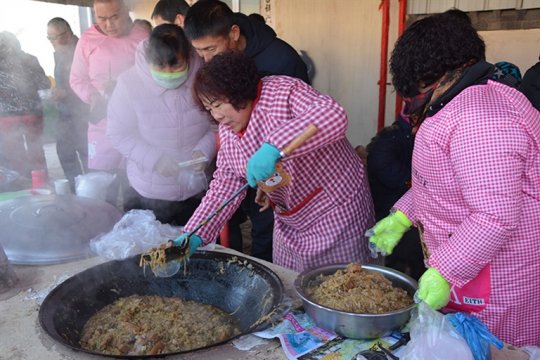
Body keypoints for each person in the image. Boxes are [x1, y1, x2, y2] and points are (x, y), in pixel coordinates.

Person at [368, 11, 540, 347]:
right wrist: (405, 214)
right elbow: (445, 182)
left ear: (428, 78)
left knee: (495, 349)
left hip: (501, 280)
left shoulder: (482, 120)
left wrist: (445, 270)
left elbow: (494, 216)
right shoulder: (463, 101)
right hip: (473, 266)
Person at [170, 51, 375, 272]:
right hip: (290, 218)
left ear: (238, 91)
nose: (216, 115)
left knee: (343, 286)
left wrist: (274, 146)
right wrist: (194, 234)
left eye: (218, 104)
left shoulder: (283, 92)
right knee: (293, 284)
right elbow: (223, 187)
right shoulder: (228, 132)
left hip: (336, 209)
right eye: (209, 109)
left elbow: (332, 113)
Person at [183, 0, 310, 261]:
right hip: (274, 188)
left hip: (307, 183)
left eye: (210, 48)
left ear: (233, 34)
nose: (206, 59)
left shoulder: (282, 68)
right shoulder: (229, 130)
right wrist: (192, 233)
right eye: (199, 52)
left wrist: (273, 153)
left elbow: (317, 120)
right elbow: (225, 183)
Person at [107, 24, 216, 225]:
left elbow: (219, 124)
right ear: (149, 59)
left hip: (195, 189)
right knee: (152, 252)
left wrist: (205, 151)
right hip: (148, 190)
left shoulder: (205, 77)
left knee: (194, 250)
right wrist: (154, 159)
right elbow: (118, 133)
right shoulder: (129, 83)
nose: (168, 72)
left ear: (188, 56)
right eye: (160, 66)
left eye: (176, 66)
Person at [70, 0, 149, 207]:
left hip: (137, 126)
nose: (108, 24)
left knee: (135, 187)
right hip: (102, 125)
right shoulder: (88, 40)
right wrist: (93, 96)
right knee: (104, 188)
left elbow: (153, 78)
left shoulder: (143, 37)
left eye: (114, 17)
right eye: (101, 18)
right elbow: (77, 78)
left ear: (126, 10)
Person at [365, 113, 424, 280]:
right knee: (399, 267)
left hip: (409, 216)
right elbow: (405, 183)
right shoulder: (387, 144)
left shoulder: (408, 137)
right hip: (394, 214)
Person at [47, 17, 89, 191]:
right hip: (66, 114)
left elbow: (88, 81)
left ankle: (89, 191)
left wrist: (65, 92)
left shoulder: (80, 50)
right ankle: (78, 190)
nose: (52, 41)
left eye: (54, 37)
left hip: (82, 113)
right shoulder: (61, 52)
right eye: (49, 37)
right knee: (66, 154)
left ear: (67, 34)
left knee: (86, 156)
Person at [0, 31, 50, 179]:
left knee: (14, 152)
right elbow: (44, 83)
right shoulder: (30, 59)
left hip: (6, 116)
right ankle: (41, 182)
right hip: (32, 112)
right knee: (36, 150)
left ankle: (22, 183)